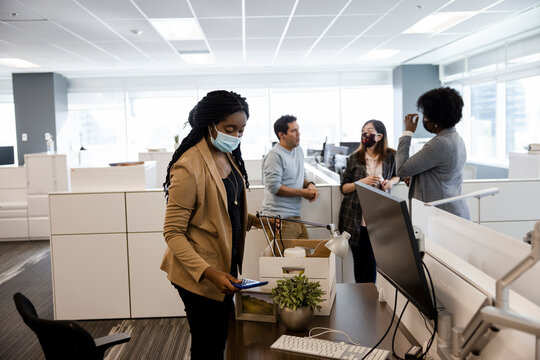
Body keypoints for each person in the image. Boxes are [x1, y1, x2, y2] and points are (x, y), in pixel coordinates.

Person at [161, 90, 269, 360]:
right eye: (229, 129)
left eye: (241, 130)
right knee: (208, 345)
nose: (235, 136)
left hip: (224, 266)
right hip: (199, 272)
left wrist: (258, 222)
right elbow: (173, 233)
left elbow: (225, 208)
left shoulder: (226, 154)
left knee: (219, 339)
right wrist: (209, 273)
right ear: (208, 125)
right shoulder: (188, 167)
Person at [338, 120, 400, 283]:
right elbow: (344, 188)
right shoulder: (354, 158)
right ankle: (361, 301)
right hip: (355, 220)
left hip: (378, 219)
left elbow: (398, 175)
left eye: (369, 131)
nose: (365, 134)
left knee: (373, 264)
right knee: (359, 264)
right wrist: (362, 182)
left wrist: (390, 182)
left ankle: (370, 301)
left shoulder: (390, 156)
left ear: (379, 136)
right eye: (363, 130)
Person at [396, 87, 471, 220]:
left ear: (436, 120)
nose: (423, 119)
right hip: (452, 210)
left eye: (425, 115)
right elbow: (440, 174)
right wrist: (415, 178)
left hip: (443, 215)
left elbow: (401, 169)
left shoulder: (440, 143)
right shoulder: (455, 138)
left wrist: (407, 132)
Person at [262, 115, 318, 239]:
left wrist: (310, 185)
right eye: (293, 131)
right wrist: (302, 193)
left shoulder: (298, 151)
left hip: (295, 217)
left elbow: (300, 177)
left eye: (298, 129)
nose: (299, 134)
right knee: (286, 258)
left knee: (308, 256)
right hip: (280, 219)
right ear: (281, 135)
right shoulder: (274, 156)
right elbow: (274, 187)